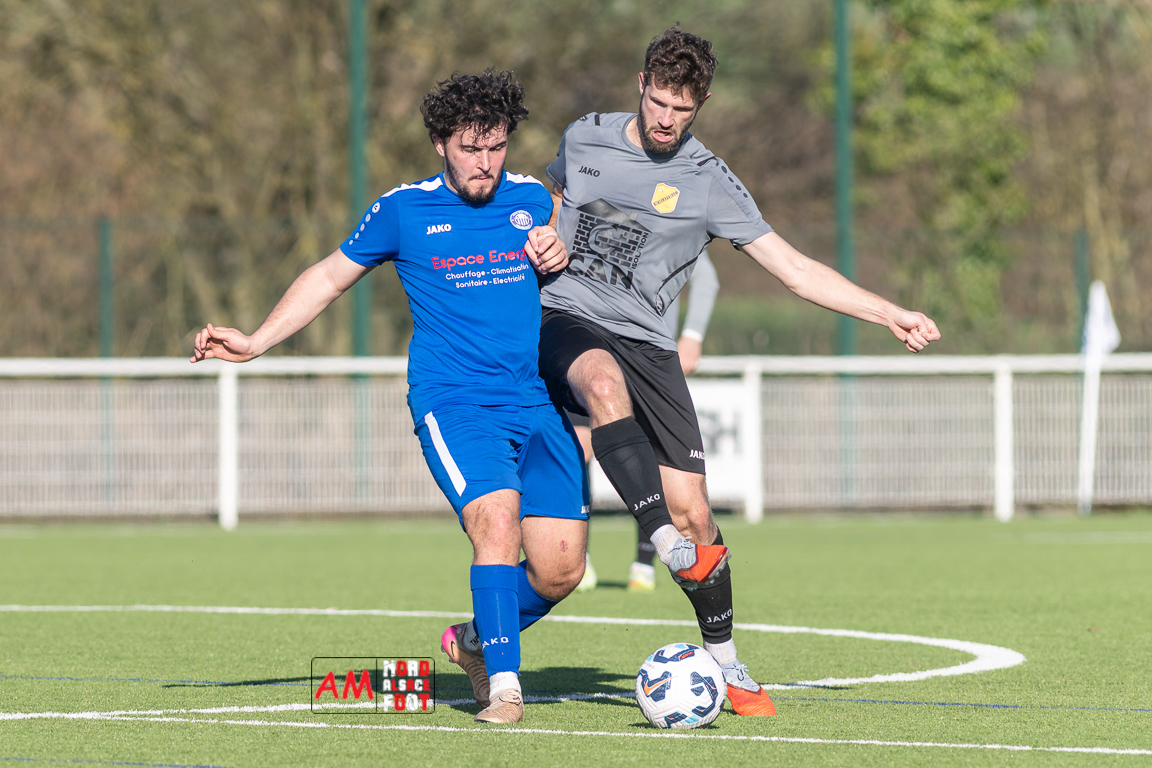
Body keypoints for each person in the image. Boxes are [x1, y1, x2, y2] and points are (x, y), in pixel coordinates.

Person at [537, 27, 941, 717]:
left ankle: (726, 660)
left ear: (701, 106)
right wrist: (541, 233)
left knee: (696, 511)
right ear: (641, 84)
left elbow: (794, 270)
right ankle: (662, 544)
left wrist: (888, 312)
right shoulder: (584, 136)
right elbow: (545, 201)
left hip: (649, 342)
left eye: (682, 110)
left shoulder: (710, 181)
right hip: (567, 316)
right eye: (659, 102)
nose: (666, 120)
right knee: (602, 386)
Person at [190, 70, 589, 725]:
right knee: (496, 520)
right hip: (455, 403)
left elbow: (578, 269)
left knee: (561, 570)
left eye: (495, 147)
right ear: (439, 143)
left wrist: (559, 247)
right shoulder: (402, 211)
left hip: (535, 402)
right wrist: (257, 340)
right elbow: (327, 277)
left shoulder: (532, 199)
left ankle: (473, 640)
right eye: (470, 148)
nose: (485, 163)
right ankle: (504, 688)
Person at [571, 249, 719, 593]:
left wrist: (693, 335)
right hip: (587, 350)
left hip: (646, 359)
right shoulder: (581, 217)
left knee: (651, 456)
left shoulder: (669, 220)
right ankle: (577, 557)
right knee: (578, 446)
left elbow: (706, 277)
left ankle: (644, 562)